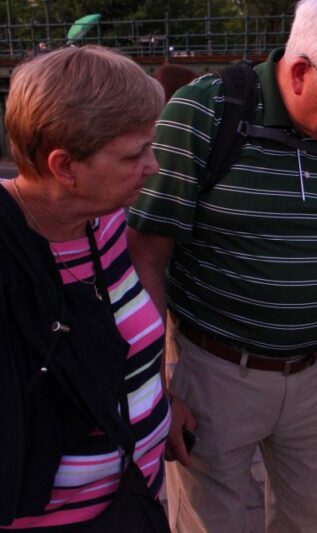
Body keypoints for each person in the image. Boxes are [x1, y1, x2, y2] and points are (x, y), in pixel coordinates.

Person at [125, 0, 317, 531]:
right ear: (300, 72)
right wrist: (157, 388)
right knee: (212, 523)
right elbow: (145, 259)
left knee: (308, 521)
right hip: (214, 371)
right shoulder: (206, 112)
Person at [0, 46, 168, 529]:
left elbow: (121, 344)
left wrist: (159, 401)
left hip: (131, 500)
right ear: (64, 166)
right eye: (135, 154)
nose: (152, 165)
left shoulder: (107, 224)